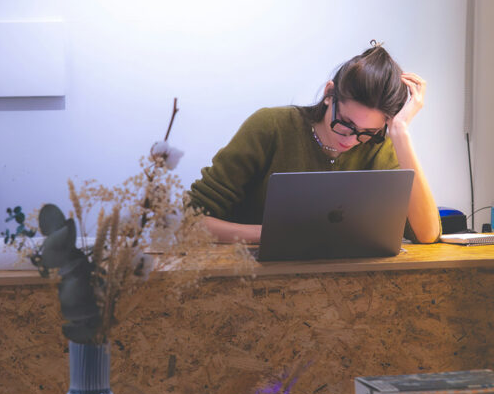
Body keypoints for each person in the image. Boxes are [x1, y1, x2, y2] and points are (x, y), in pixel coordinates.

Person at [188, 42, 442, 245]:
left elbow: (427, 233)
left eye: (368, 132)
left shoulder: (377, 145)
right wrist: (272, 234)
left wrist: (399, 132)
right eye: (345, 123)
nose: (352, 139)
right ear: (329, 94)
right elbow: (189, 222)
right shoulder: (271, 127)